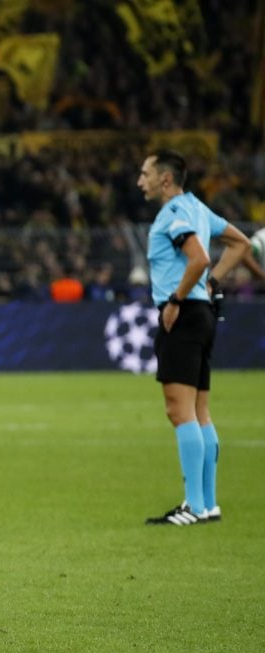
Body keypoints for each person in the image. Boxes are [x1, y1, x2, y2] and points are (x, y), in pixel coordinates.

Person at [137, 150, 251, 525]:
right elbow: (242, 245)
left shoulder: (173, 214)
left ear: (165, 180)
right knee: (200, 411)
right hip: (202, 314)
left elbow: (198, 258)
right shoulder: (198, 209)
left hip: (184, 315)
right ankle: (207, 503)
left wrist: (175, 299)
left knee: (179, 410)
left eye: (145, 174)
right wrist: (214, 282)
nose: (141, 181)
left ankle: (193, 506)